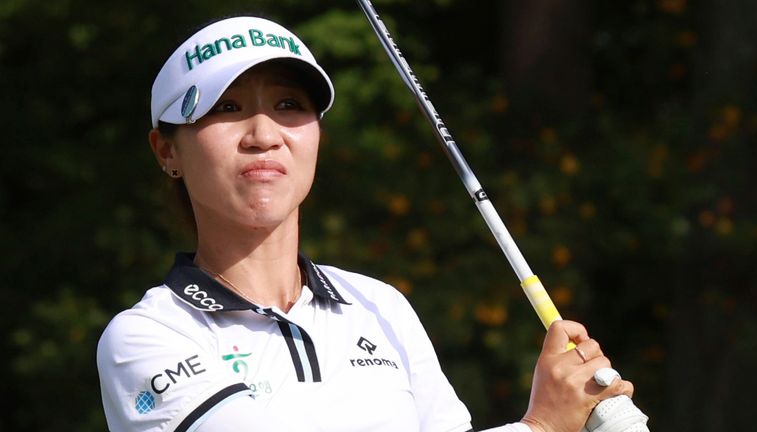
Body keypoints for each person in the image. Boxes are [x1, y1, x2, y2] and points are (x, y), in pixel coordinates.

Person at [96, 16, 634, 432]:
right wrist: (538, 425)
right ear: (167, 150)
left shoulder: (379, 305)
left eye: (289, 105)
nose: (264, 133)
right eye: (227, 107)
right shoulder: (147, 337)